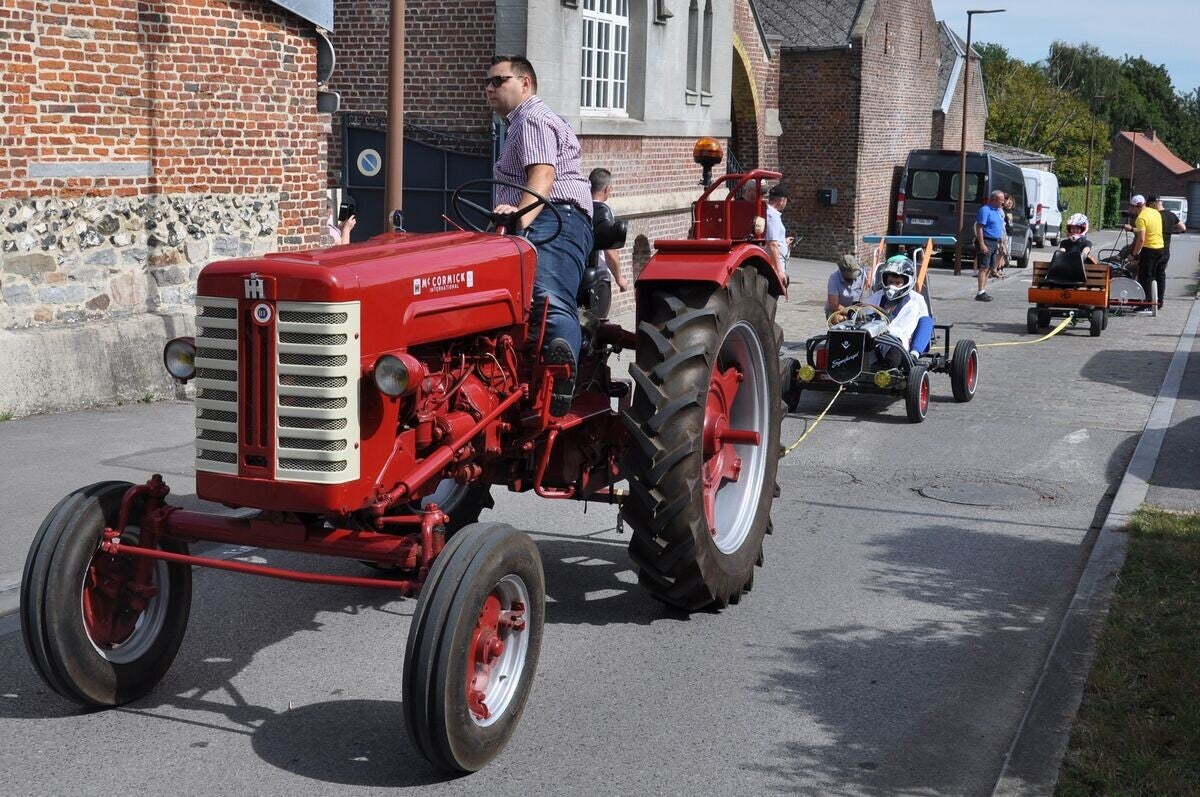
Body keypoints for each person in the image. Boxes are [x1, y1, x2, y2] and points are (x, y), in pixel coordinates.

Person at [487, 54, 594, 415]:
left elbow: (542, 176)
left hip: (555, 214)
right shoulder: (517, 124)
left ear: (524, 83)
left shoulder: (531, 117)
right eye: (487, 82)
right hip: (540, 214)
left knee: (545, 294)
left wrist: (521, 222)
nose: (489, 88)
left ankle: (560, 381)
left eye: (498, 81)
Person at [863, 255, 930, 366]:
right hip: (875, 342)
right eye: (890, 282)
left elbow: (923, 325)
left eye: (897, 283)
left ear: (907, 282)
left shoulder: (915, 301)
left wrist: (914, 353)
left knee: (896, 341)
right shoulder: (876, 297)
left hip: (899, 345)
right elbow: (864, 317)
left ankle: (888, 371)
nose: (892, 287)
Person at [588, 168, 630, 292]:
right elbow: (610, 250)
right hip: (598, 279)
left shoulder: (580, 207)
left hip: (577, 274)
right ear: (606, 189)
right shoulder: (604, 212)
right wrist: (619, 278)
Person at [1126, 194, 1164, 312]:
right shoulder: (1155, 212)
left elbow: (1141, 239)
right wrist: (1132, 229)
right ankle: (1157, 300)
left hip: (1149, 249)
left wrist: (1134, 254)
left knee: (1144, 276)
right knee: (1155, 275)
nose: (1130, 209)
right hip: (1160, 247)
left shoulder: (1141, 218)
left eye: (1131, 207)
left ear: (1136, 206)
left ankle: (1146, 303)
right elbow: (1148, 229)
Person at [1150, 195, 1186, 309]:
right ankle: (1160, 301)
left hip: (1153, 247)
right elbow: (1183, 228)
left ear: (1153, 204)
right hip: (1166, 250)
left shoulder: (1154, 215)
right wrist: (1170, 229)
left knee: (1150, 274)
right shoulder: (1171, 215)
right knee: (1161, 274)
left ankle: (1149, 299)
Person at [973, 190, 1006, 301]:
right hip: (986, 240)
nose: (1003, 202)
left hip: (994, 241)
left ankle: (983, 290)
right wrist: (982, 244)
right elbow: (979, 227)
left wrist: (1001, 242)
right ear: (994, 199)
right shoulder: (985, 210)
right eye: (1001, 200)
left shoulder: (998, 211)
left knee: (989, 267)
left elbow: (999, 228)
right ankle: (980, 292)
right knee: (984, 267)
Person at [764, 183, 794, 287]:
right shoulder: (773, 216)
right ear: (782, 200)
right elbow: (772, 244)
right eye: (786, 201)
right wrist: (779, 270)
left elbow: (770, 238)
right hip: (774, 265)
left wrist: (784, 243)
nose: (786, 204)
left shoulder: (767, 212)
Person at [826, 254, 867, 319]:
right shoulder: (834, 278)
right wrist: (850, 313)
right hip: (837, 310)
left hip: (856, 309)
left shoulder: (862, 274)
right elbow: (833, 305)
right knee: (839, 319)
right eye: (851, 276)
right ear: (842, 272)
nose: (854, 278)